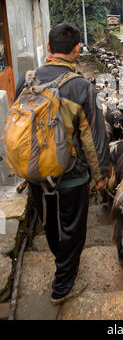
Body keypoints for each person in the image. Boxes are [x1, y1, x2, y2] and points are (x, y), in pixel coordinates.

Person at [14, 22, 110, 304]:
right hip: (72, 177)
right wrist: (100, 175)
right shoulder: (81, 87)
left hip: (35, 174)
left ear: (48, 49)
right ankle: (62, 287)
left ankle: (62, 263)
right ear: (77, 49)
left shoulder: (27, 80)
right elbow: (93, 137)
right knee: (73, 230)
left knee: (52, 226)